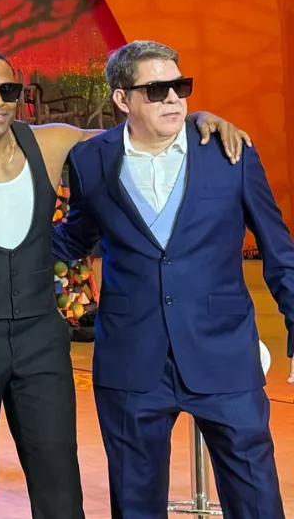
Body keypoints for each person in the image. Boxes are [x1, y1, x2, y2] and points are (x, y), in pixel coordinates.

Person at [0, 49, 251, 519]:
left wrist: (196, 116)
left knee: (60, 485)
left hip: (40, 340)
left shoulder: (50, 144)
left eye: (9, 90)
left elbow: (137, 133)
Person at [52, 40, 294, 518]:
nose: (173, 99)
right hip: (132, 362)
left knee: (257, 500)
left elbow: (279, 251)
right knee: (137, 507)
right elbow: (76, 236)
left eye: (179, 86)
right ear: (122, 99)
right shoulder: (90, 161)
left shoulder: (230, 152)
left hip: (223, 355)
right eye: (156, 89)